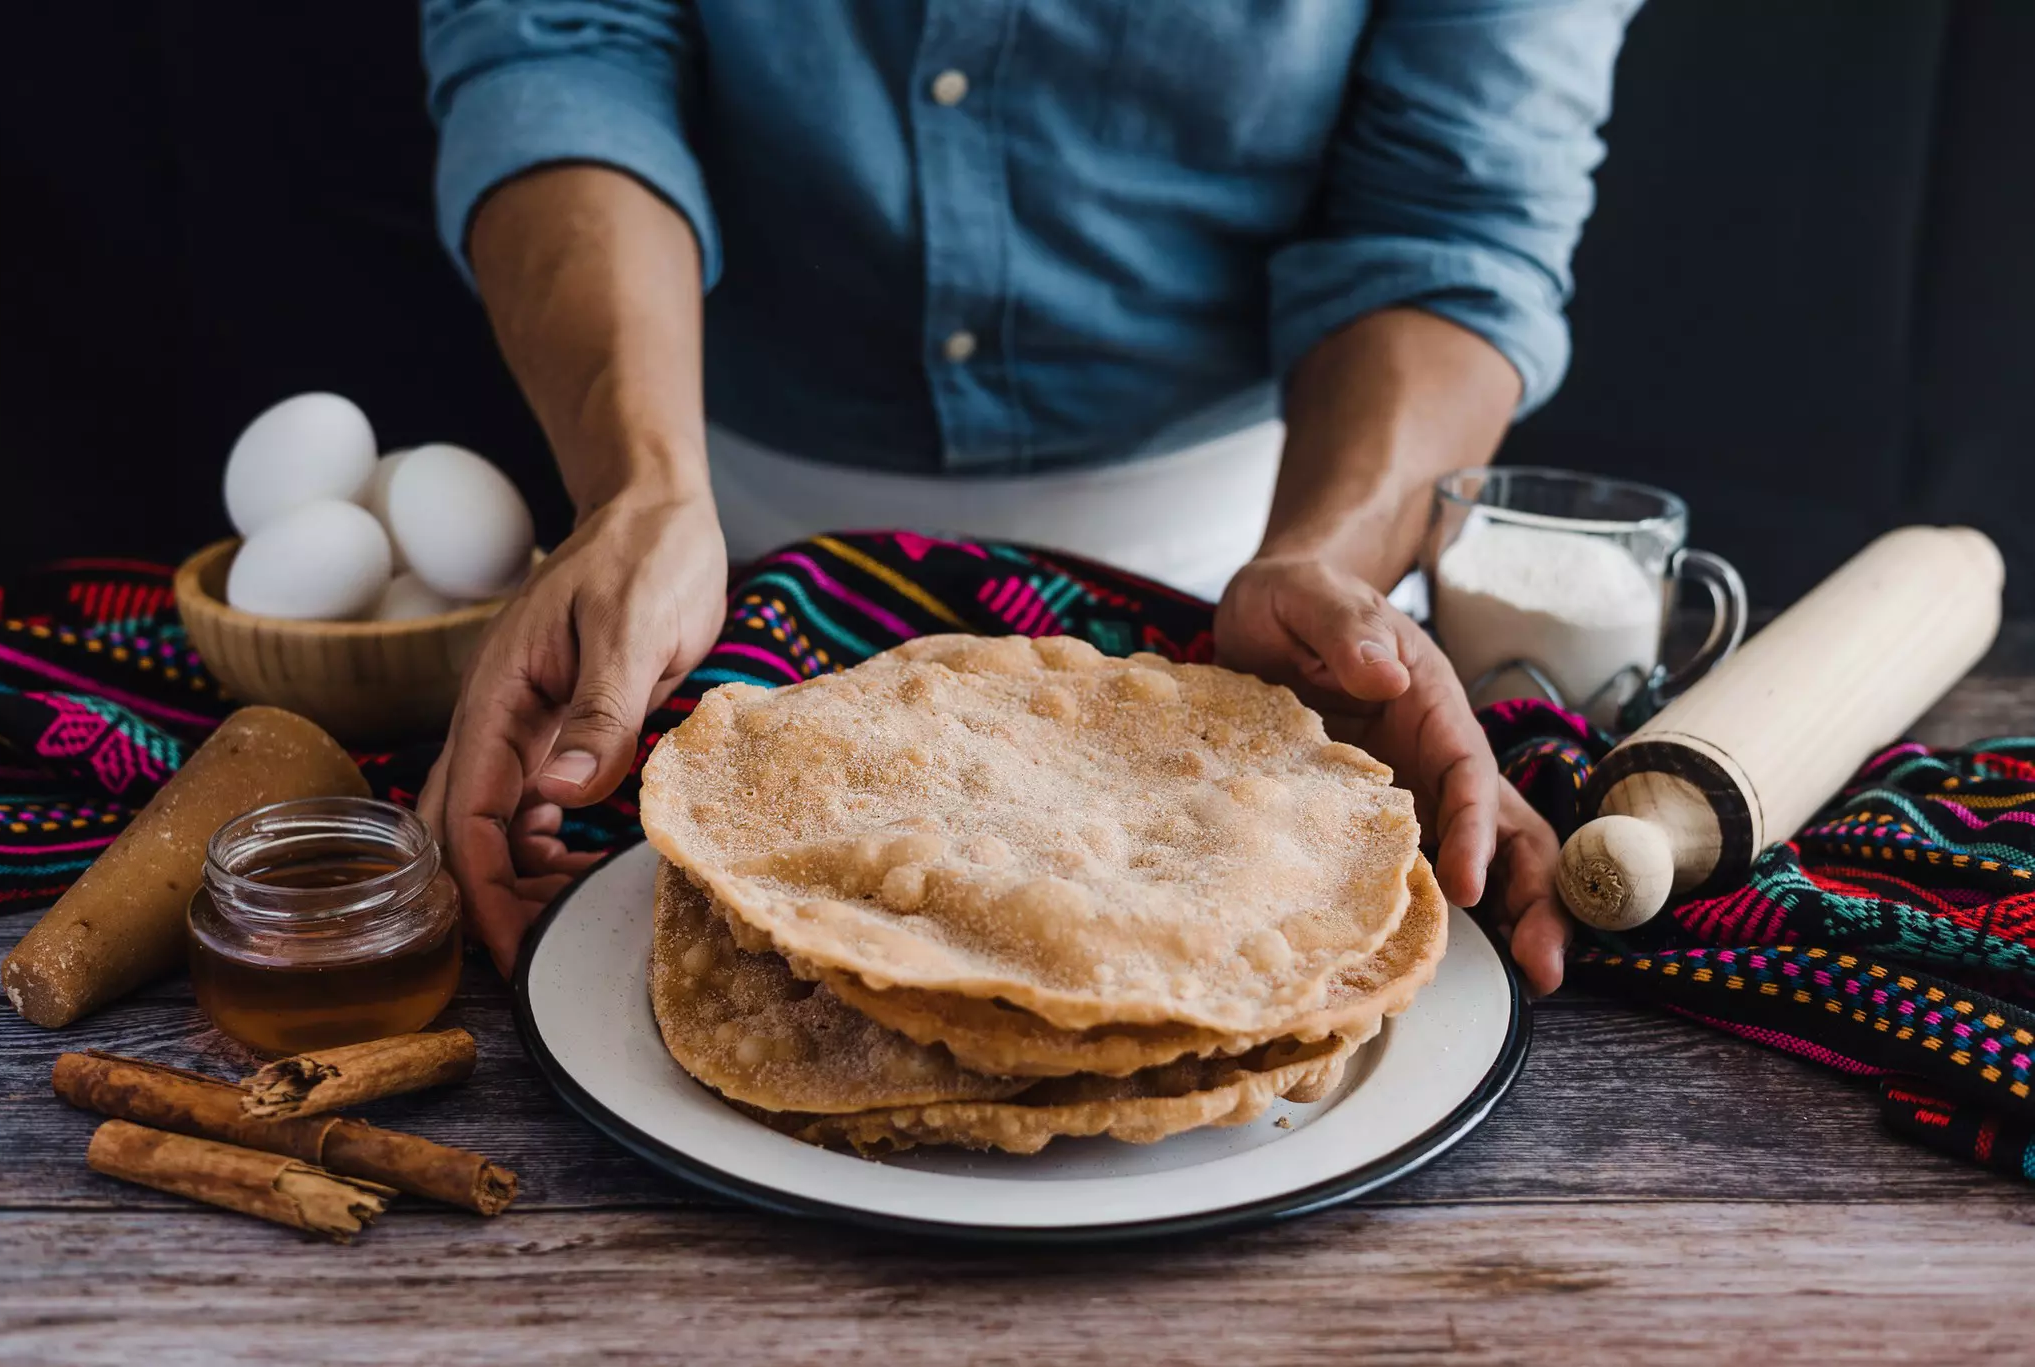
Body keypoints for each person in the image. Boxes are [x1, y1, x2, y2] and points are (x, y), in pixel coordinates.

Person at [416, 0, 1642, 992]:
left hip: (1260, 572)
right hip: (713, 548)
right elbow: (560, 48)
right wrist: (637, 488)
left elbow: (1452, 210)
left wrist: (1331, 558)